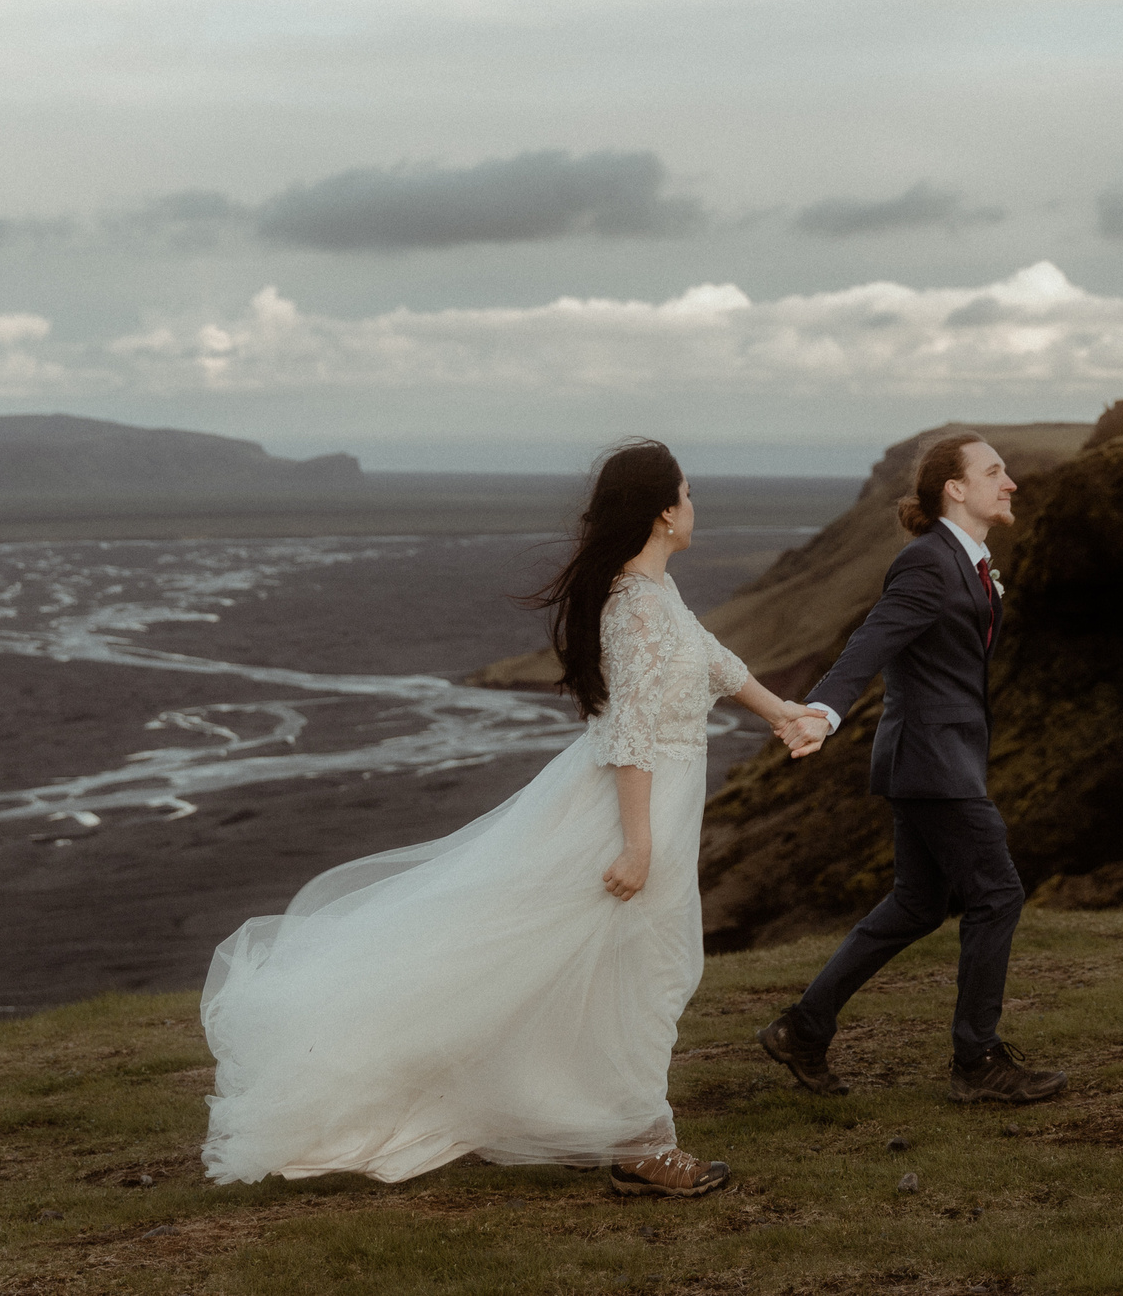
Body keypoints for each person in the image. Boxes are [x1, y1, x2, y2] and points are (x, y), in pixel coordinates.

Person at [200, 439, 825, 1196]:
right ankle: (639, 1140)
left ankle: (583, 1121)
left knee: (617, 969)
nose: (697, 505)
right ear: (665, 510)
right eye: (689, 492)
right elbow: (629, 727)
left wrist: (783, 711)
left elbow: (715, 661)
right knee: (648, 971)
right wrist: (636, 843)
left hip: (651, 802)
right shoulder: (634, 607)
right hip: (633, 809)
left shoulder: (656, 595)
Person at [755, 432, 1067, 1105]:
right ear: (955, 488)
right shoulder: (927, 562)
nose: (1009, 481)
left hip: (931, 761)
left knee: (919, 903)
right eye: (994, 471)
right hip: (932, 763)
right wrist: (825, 712)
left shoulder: (972, 563)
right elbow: (871, 639)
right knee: (998, 894)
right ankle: (976, 1061)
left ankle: (803, 1029)